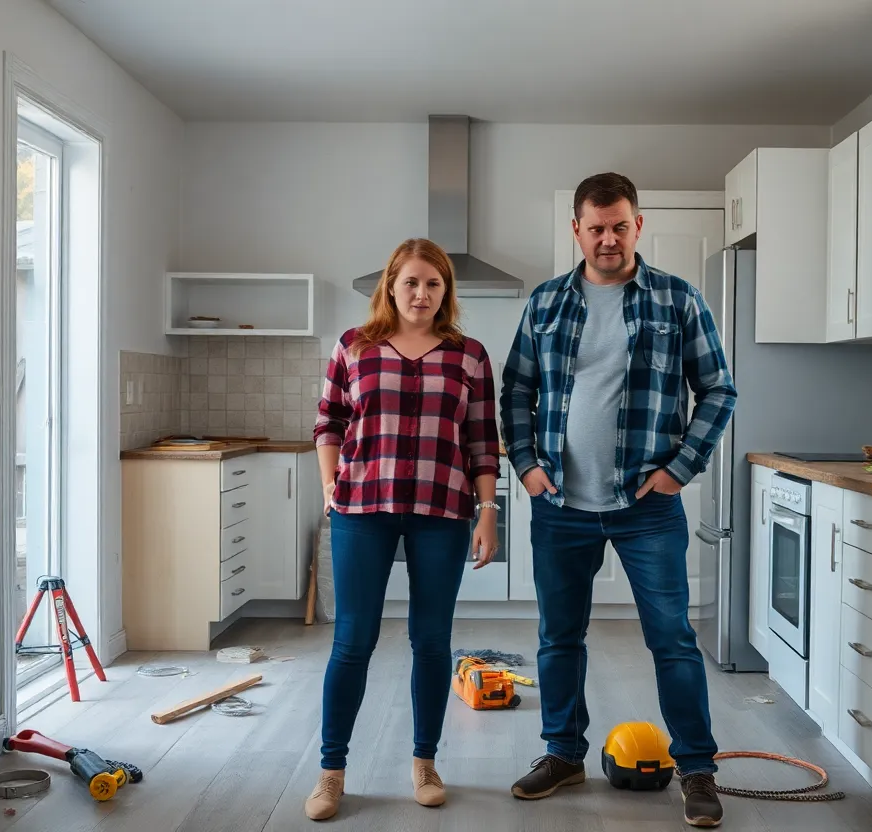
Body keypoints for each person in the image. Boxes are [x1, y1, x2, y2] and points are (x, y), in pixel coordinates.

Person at [500, 172, 737, 828]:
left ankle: (696, 769)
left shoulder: (676, 299)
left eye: (619, 225)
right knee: (558, 637)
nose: (608, 238)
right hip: (559, 505)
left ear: (639, 225)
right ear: (576, 230)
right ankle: (562, 754)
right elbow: (516, 390)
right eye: (595, 227)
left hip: (646, 508)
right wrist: (525, 465)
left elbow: (718, 388)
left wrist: (680, 470)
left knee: (672, 638)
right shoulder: (547, 302)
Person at [307, 238, 501, 821]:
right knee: (353, 640)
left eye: (433, 284)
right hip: (363, 507)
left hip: (443, 511)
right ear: (391, 285)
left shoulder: (468, 355)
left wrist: (488, 511)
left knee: (432, 640)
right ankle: (331, 771)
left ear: (446, 292)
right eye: (412, 282)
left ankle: (424, 762)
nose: (421, 293)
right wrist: (328, 486)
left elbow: (482, 441)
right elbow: (328, 423)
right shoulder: (353, 347)